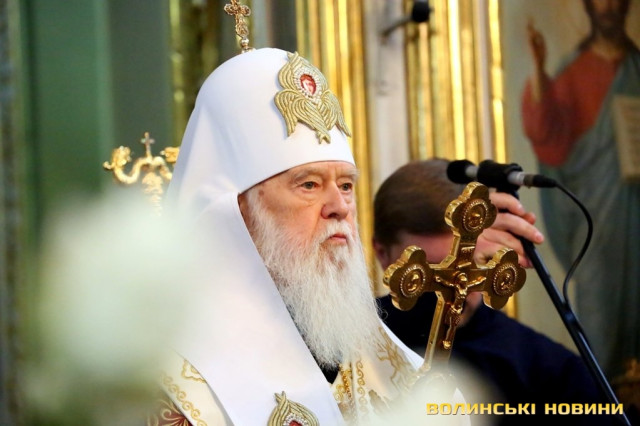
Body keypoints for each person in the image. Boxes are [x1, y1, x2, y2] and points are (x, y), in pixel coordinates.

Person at [150, 43, 476, 423]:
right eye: (309, 185)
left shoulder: (394, 366)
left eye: (346, 185)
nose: (340, 206)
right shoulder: (169, 378)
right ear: (240, 211)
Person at [373, 159, 613, 425]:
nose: (456, 291)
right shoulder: (351, 349)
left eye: (470, 265)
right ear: (383, 254)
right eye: (434, 273)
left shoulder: (550, 371)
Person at [521, 0, 640, 378]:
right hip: (598, 225)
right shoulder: (575, 72)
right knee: (600, 322)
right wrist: (539, 70)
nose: (609, 7)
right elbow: (547, 134)